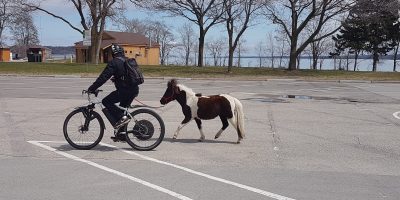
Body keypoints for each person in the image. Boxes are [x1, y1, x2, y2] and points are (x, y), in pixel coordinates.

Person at [87, 43, 139, 141]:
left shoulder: (114, 62)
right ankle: (122, 135)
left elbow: (103, 77)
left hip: (124, 91)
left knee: (106, 101)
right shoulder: (127, 60)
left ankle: (122, 121)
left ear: (113, 53)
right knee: (121, 112)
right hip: (133, 90)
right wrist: (117, 79)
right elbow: (125, 75)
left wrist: (92, 88)